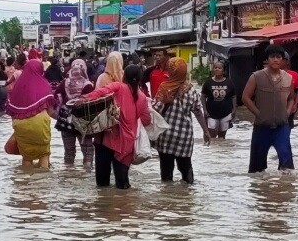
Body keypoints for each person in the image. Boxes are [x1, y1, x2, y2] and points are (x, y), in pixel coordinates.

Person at [88, 62, 150, 190]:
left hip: (107, 140)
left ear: (124, 76)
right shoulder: (143, 97)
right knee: (123, 184)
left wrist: (83, 99)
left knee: (102, 184)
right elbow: (146, 120)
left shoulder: (119, 87)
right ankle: (124, 207)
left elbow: (99, 92)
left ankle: (103, 206)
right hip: (127, 144)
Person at [242, 46, 298, 173]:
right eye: (272, 57)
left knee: (287, 167)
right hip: (262, 127)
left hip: (281, 126)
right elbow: (245, 97)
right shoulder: (256, 77)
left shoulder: (288, 78)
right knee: (257, 170)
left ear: (283, 60)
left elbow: (291, 98)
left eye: (278, 57)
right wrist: (258, 113)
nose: (275, 60)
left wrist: (287, 112)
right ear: (267, 59)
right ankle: (261, 191)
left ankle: (283, 191)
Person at [152, 59, 208, 184]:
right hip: (184, 137)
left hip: (165, 136)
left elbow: (156, 110)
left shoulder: (164, 88)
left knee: (166, 173)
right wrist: (206, 131)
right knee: (186, 169)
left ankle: (169, 199)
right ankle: (187, 198)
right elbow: (198, 112)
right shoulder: (191, 90)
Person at [4, 57, 58, 170]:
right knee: (44, 154)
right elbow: (51, 111)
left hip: (20, 125)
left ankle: (25, 182)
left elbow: (12, 111)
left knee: (26, 156)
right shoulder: (45, 85)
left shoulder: (18, 86)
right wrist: (64, 119)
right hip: (40, 124)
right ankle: (42, 180)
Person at [55, 57, 96, 168]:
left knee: (68, 151)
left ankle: (68, 174)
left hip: (65, 119)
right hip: (83, 120)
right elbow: (92, 103)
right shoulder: (88, 85)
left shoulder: (65, 83)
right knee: (87, 149)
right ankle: (87, 174)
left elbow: (55, 96)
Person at [201, 62, 236, 141]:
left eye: (219, 68)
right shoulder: (208, 82)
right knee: (212, 135)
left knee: (222, 138)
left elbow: (233, 96)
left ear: (224, 71)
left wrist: (234, 109)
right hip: (211, 113)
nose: (217, 69)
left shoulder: (229, 83)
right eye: (215, 67)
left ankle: (220, 152)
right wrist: (205, 110)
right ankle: (212, 152)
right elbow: (203, 96)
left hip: (226, 113)